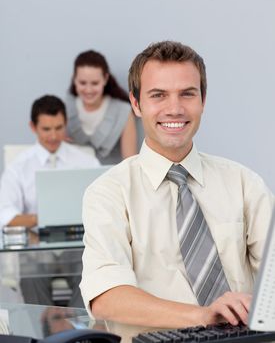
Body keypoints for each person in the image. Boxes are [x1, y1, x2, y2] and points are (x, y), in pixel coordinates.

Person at [80, 41, 275, 329]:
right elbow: (106, 297)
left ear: (203, 101)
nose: (175, 108)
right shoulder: (108, 193)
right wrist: (204, 316)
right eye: (158, 95)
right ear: (136, 103)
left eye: (187, 94)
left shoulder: (245, 183)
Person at [0, 94, 100, 306]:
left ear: (66, 124)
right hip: (37, 248)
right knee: (30, 275)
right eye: (46, 129)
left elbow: (104, 207)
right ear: (33, 127)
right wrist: (43, 219)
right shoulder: (19, 166)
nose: (54, 136)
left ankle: (81, 336)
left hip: (78, 245)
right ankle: (40, 337)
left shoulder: (86, 162)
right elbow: (5, 216)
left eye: (59, 128)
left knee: (92, 275)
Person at [65, 49, 137, 165]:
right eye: (82, 83)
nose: (88, 90)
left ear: (105, 79)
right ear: (74, 80)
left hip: (112, 179)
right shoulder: (65, 110)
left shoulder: (123, 111)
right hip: (72, 180)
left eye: (95, 83)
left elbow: (130, 163)